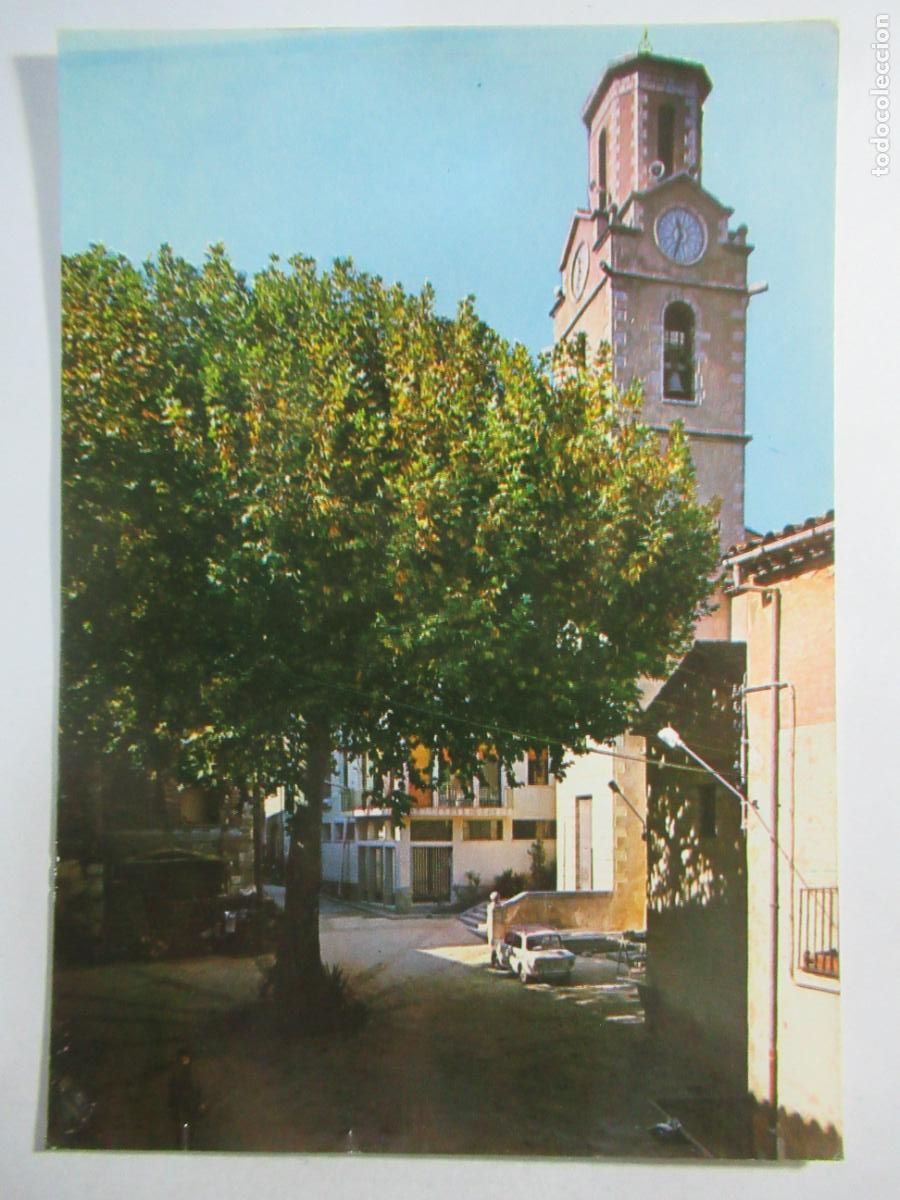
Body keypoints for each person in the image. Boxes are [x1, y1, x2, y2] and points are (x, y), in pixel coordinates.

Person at [168, 1046, 203, 1150]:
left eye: (186, 1058)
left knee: (190, 1126)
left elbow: (198, 1088)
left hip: (190, 1103)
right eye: (183, 1058)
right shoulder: (176, 1073)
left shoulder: (194, 1072)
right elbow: (173, 1089)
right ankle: (181, 1144)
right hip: (181, 1103)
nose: (185, 1061)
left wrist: (200, 1102)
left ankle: (189, 1144)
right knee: (181, 1126)